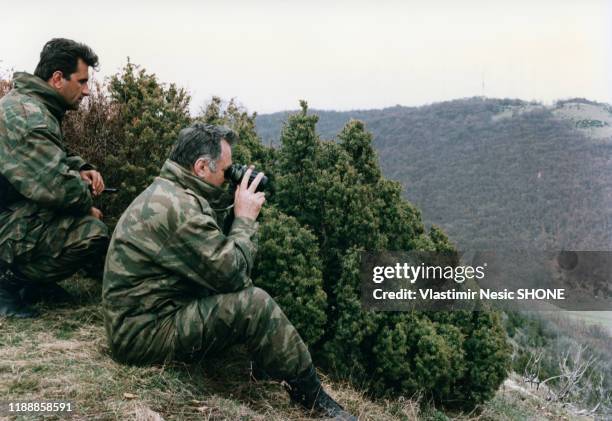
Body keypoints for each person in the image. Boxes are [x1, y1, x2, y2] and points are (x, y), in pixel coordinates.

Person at [102, 123, 356, 420]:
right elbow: (233, 275)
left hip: (141, 319)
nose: (229, 176)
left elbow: (211, 252)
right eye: (226, 170)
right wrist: (245, 219)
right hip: (142, 336)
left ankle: (268, 362)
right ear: (200, 167)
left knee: (241, 292)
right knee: (255, 303)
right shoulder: (178, 208)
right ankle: (313, 399)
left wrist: (233, 201)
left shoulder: (170, 192)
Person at [0, 38, 109, 318]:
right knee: (90, 231)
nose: (86, 91)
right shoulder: (30, 116)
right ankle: (7, 285)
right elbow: (59, 188)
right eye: (82, 81)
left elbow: (49, 156)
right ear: (58, 78)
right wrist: (86, 204)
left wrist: (81, 167)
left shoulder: (30, 106)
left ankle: (34, 284)